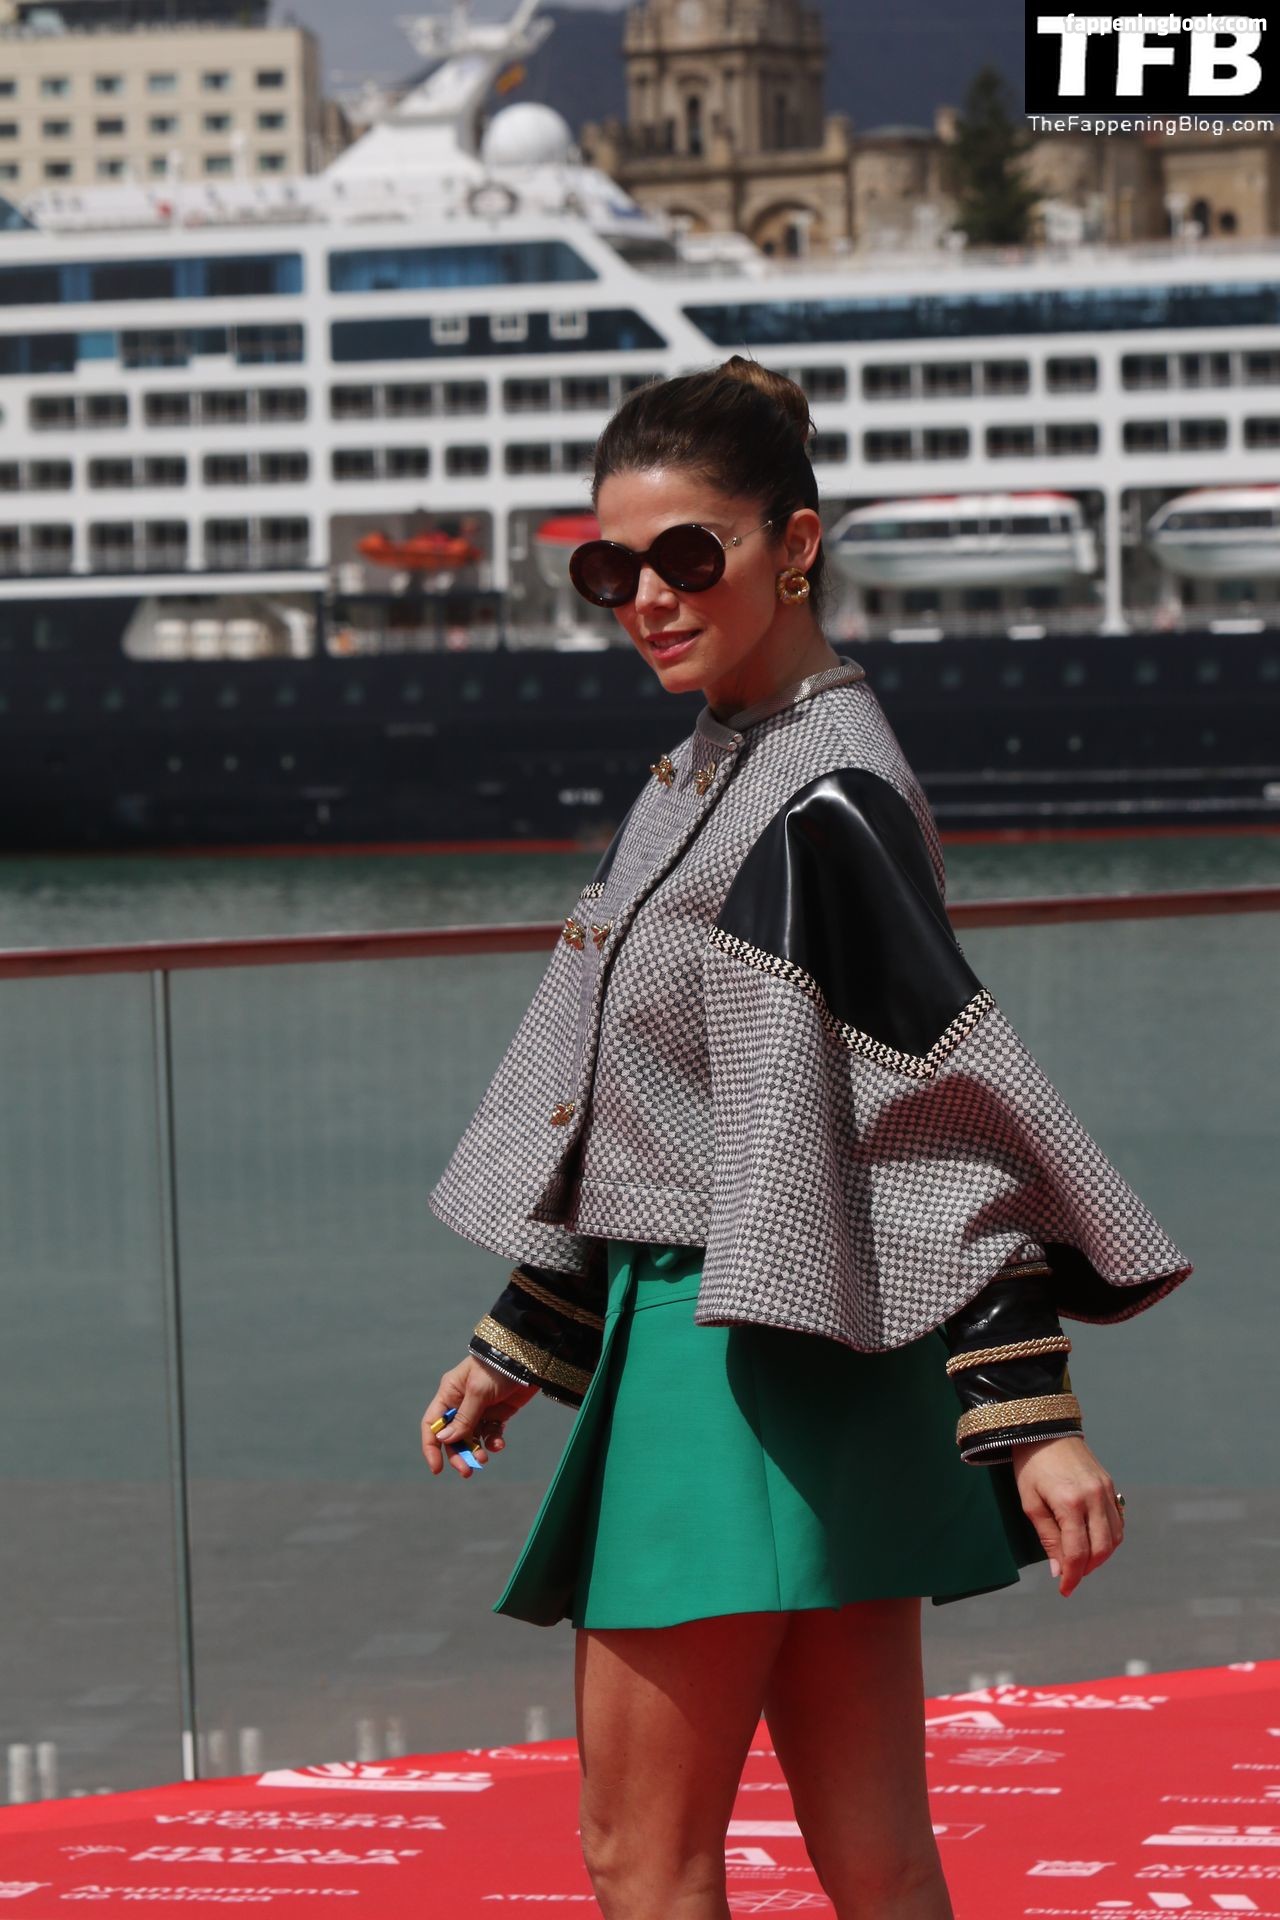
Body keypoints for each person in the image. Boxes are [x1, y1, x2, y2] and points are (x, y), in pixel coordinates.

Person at [420, 356, 1193, 1920]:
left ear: (794, 545)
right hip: (806, 1354)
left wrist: (1030, 1410)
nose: (648, 597)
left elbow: (935, 1107)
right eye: (611, 570)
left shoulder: (817, 788)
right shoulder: (730, 756)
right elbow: (680, 1108)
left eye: (686, 554)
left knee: (643, 1852)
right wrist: (531, 1330)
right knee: (876, 1855)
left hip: (723, 1367)